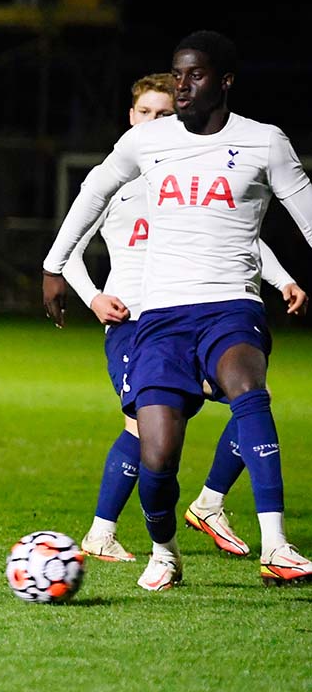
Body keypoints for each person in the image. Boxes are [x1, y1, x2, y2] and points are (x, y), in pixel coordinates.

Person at [41, 30, 312, 590]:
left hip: (231, 305)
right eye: (178, 73)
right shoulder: (149, 143)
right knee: (158, 452)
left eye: (196, 75)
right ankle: (164, 550)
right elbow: (93, 189)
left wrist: (284, 278)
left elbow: (306, 213)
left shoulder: (264, 142)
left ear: (225, 81)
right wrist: (54, 266)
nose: (184, 85)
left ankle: (277, 545)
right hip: (160, 318)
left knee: (247, 387)